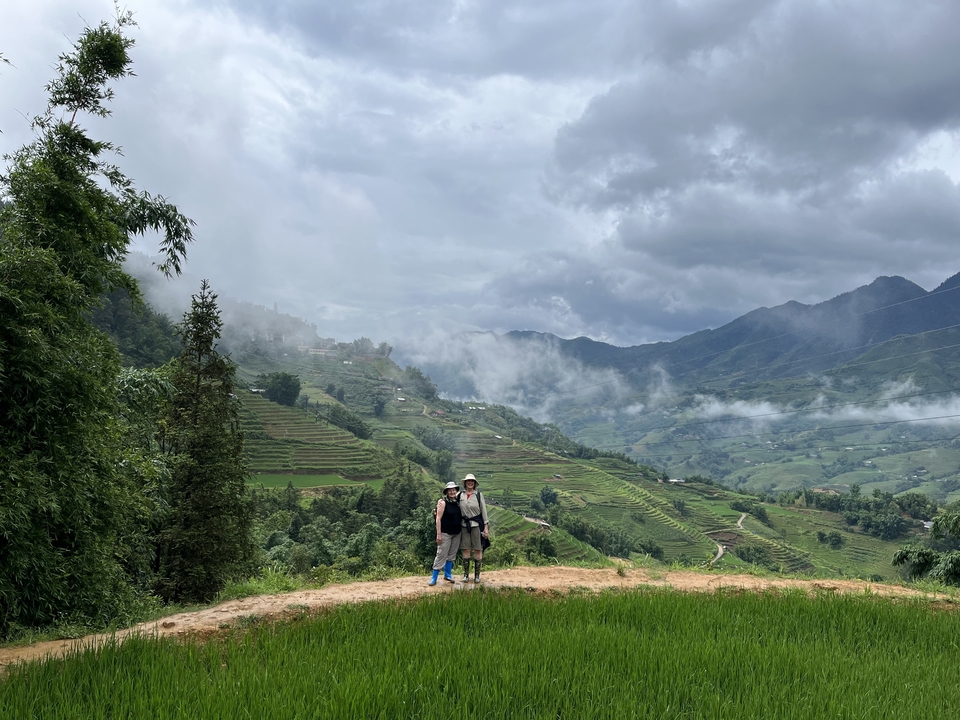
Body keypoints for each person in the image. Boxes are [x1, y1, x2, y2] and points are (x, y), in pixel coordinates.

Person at [429, 481, 462, 586]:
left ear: (456, 491)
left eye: (454, 490)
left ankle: (448, 574)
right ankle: (434, 577)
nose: (452, 492)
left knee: (451, 555)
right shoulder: (443, 503)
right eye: (450, 490)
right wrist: (438, 534)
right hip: (445, 533)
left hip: (457, 533)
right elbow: (438, 519)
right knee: (441, 554)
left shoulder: (458, 502)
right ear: (447, 492)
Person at [458, 473, 489, 583]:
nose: (470, 483)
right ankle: (466, 575)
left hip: (476, 526)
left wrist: (486, 527)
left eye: (472, 481)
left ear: (474, 483)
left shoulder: (478, 495)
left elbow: (484, 512)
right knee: (466, 549)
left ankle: (477, 576)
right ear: (465, 483)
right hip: (464, 526)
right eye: (468, 481)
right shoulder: (460, 495)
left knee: (477, 549)